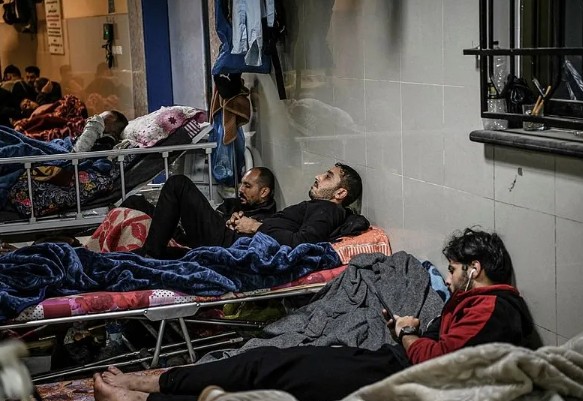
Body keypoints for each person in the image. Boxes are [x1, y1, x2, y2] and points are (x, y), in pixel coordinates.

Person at [93, 227, 534, 401]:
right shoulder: (481, 306)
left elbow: (440, 361)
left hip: (398, 374)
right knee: (270, 365)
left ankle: (147, 392)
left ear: (475, 269)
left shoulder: (493, 306)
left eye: (453, 270)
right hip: (391, 366)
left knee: (272, 371)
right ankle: (153, 386)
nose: (449, 279)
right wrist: (415, 330)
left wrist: (405, 333)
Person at [140, 163, 362, 259]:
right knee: (139, 202)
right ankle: (153, 252)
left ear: (340, 193)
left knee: (178, 184)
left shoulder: (329, 210)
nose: (318, 176)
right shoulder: (318, 207)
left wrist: (256, 227)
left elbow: (301, 243)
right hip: (235, 238)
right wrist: (242, 222)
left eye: (328, 177)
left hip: (232, 244)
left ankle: (150, 255)